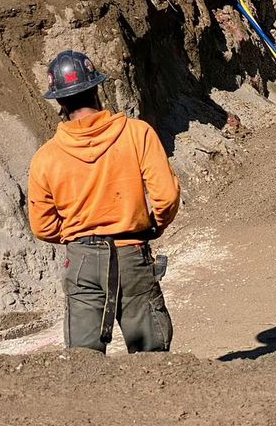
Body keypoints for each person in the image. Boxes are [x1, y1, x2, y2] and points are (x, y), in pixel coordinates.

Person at [27, 50, 181, 354]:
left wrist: (77, 236)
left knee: (84, 361)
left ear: (59, 101)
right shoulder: (137, 134)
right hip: (132, 252)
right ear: (97, 87)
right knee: (152, 356)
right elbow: (167, 196)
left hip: (81, 260)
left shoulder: (46, 157)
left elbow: (42, 226)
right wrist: (152, 227)